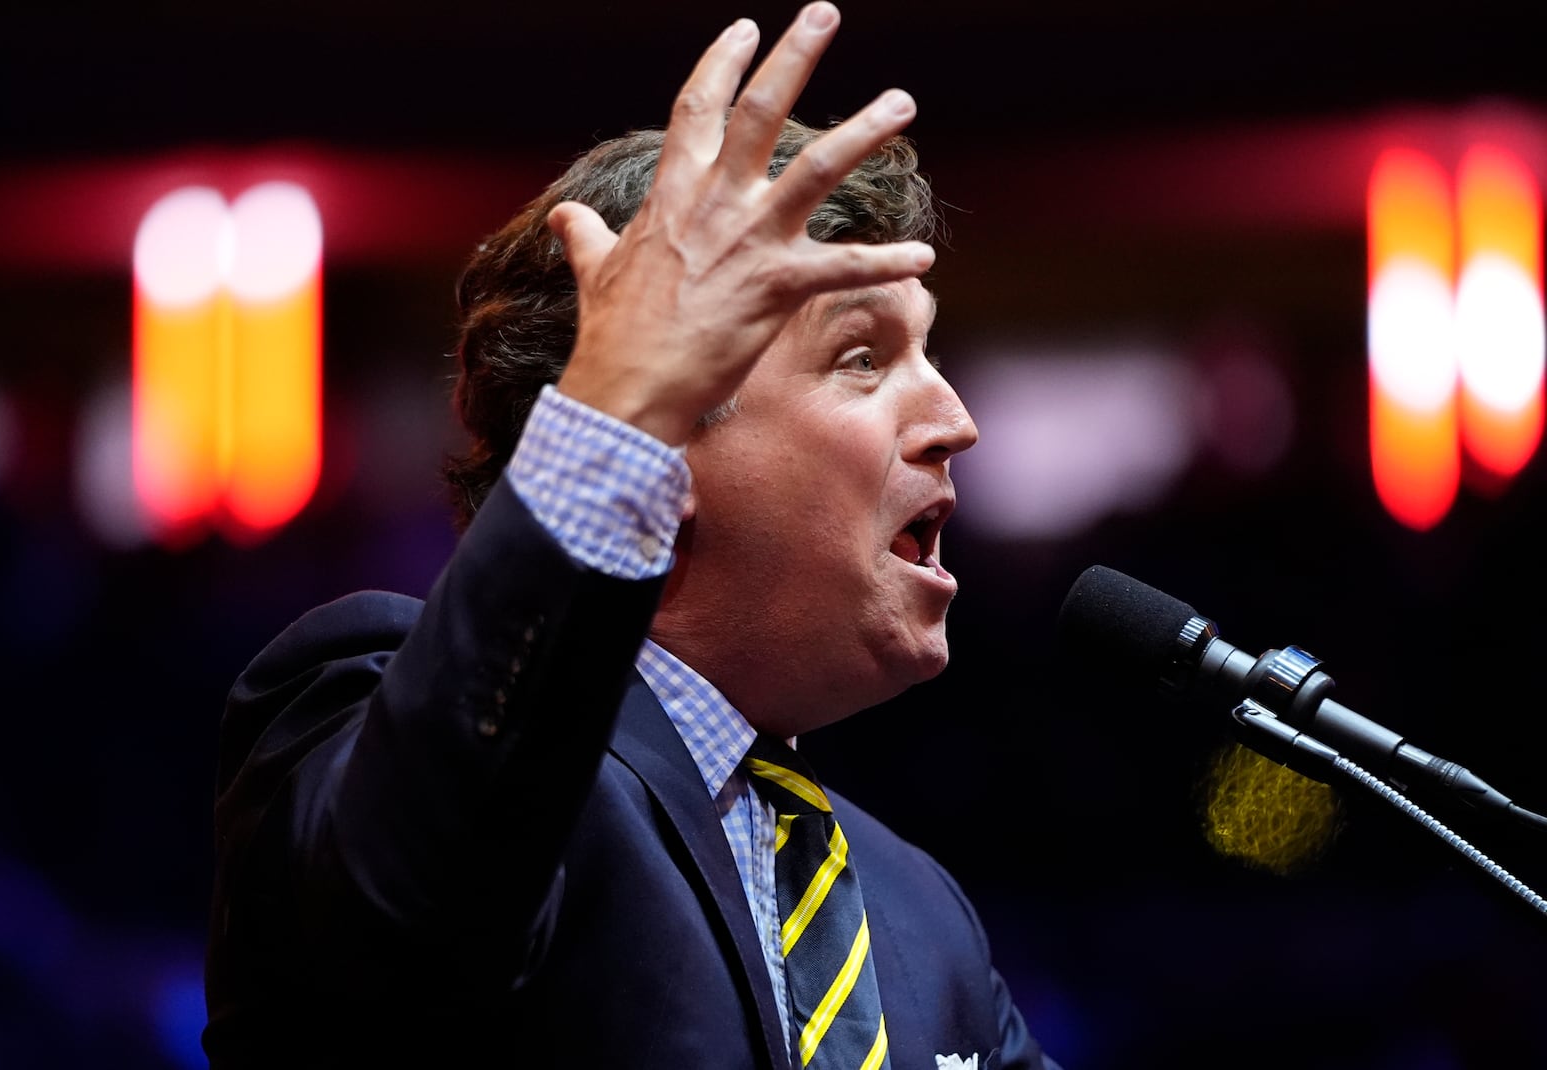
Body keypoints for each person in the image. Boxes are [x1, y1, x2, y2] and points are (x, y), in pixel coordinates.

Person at [201, 4, 1063, 1068]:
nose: (954, 420)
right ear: (667, 443)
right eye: (861, 360)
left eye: (927, 356)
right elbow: (403, 919)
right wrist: (614, 413)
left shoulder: (920, 915)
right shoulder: (368, 704)